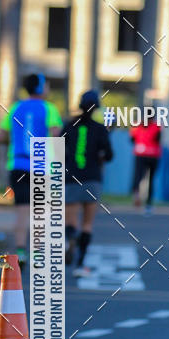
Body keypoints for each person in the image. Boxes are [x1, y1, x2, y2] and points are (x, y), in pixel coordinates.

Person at [0, 73, 62, 267]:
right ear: (42, 88)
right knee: (39, 212)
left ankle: (20, 252)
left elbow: (0, 136)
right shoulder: (49, 108)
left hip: (17, 166)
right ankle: (36, 255)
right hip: (41, 167)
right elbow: (56, 134)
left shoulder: (16, 107)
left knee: (22, 211)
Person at [62, 90, 113, 276]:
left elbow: (57, 148)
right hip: (93, 179)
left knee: (70, 220)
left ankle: (70, 239)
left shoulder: (69, 125)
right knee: (88, 224)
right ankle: (80, 264)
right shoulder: (100, 129)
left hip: (71, 177)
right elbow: (109, 155)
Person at [130, 115, 162, 214]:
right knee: (151, 179)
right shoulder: (157, 126)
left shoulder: (136, 125)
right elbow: (158, 139)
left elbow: (132, 140)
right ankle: (148, 204)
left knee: (138, 176)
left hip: (140, 153)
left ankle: (136, 193)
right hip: (153, 154)